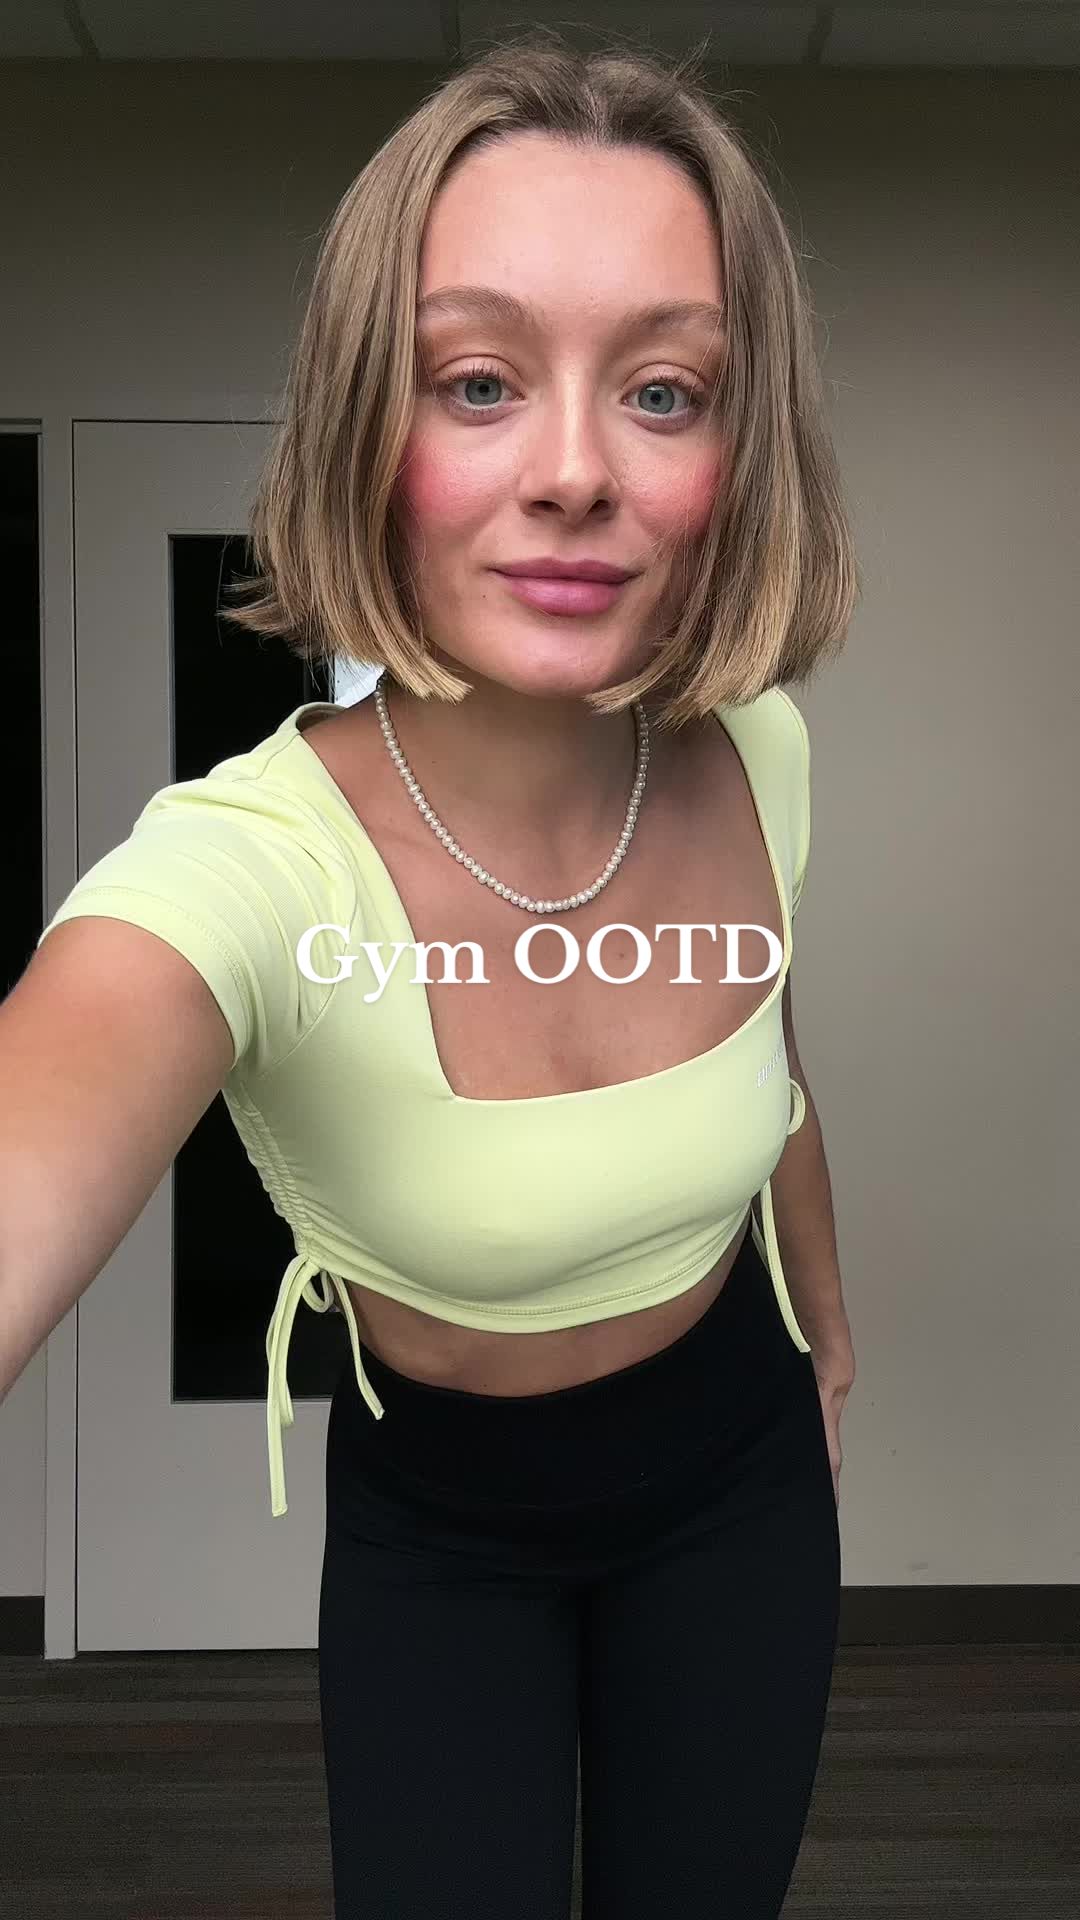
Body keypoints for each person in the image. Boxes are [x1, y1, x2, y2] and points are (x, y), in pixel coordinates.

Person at [3, 31, 859, 1920]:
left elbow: (777, 1068)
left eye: (663, 391)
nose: (574, 472)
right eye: (478, 382)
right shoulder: (244, 868)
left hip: (739, 1477)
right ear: (361, 426)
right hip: (441, 1531)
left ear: (737, 452)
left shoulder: (760, 749)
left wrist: (826, 1323)